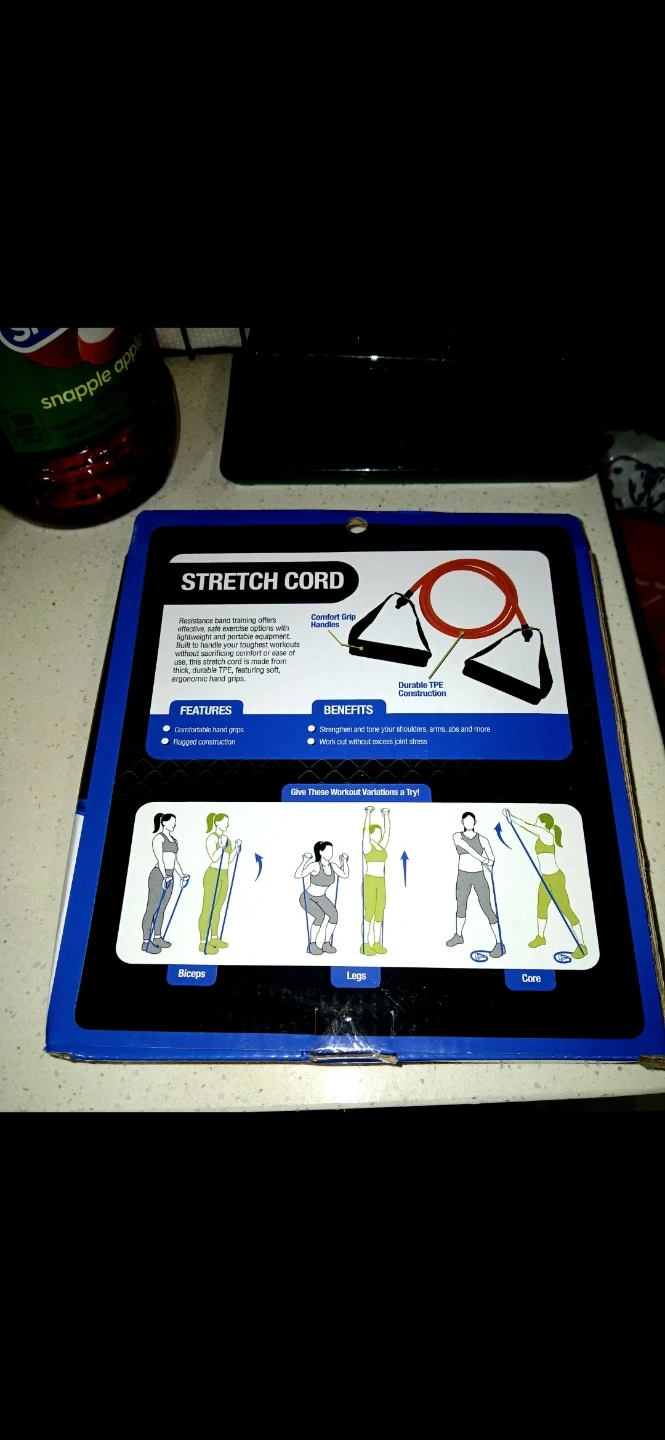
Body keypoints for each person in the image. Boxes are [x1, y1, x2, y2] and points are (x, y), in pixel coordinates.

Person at [504, 809, 587, 958]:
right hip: (545, 878)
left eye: (538, 820)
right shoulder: (542, 835)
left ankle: (582, 945)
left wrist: (512, 818)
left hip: (555, 878)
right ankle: (541, 937)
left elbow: (528, 826)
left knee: (566, 910)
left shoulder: (546, 834)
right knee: (541, 908)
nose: (536, 822)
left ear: (543, 823)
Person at [447, 812, 505, 958]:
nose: (469, 823)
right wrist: (483, 859)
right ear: (462, 822)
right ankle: (458, 936)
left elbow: (492, 858)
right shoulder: (457, 836)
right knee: (461, 905)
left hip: (479, 875)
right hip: (463, 876)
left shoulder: (483, 839)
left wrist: (489, 862)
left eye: (471, 821)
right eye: (466, 821)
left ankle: (499, 943)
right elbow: (466, 847)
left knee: (486, 907)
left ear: (475, 822)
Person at [141, 813, 189, 954]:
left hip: (170, 875)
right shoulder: (159, 838)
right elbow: (160, 860)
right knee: (152, 908)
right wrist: (165, 876)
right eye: (171, 822)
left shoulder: (174, 840)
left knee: (162, 908)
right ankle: (146, 942)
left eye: (175, 822)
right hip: (158, 875)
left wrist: (182, 875)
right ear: (164, 823)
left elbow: (174, 861)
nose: (174, 824)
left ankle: (157, 937)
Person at [198, 812, 241, 954]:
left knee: (217, 909)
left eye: (227, 822)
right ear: (217, 823)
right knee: (208, 908)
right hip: (213, 874)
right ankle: (203, 943)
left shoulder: (226, 838)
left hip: (224, 874)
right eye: (224, 822)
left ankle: (214, 938)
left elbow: (228, 860)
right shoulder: (212, 838)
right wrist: (221, 846)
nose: (227, 824)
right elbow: (214, 858)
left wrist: (236, 850)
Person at [295, 842, 349, 955]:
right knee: (320, 916)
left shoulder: (333, 865)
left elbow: (344, 875)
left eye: (331, 851)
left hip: (321, 897)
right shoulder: (315, 865)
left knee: (334, 916)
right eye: (328, 851)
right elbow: (298, 875)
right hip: (307, 897)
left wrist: (344, 861)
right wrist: (305, 861)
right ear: (321, 852)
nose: (330, 853)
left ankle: (326, 943)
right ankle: (312, 945)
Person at [361, 805, 390, 956]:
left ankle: (377, 943)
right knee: (369, 913)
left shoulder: (381, 846)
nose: (379, 835)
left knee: (379, 913)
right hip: (370, 881)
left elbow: (388, 833)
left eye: (380, 833)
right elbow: (366, 831)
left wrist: (386, 816)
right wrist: (368, 814)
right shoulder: (367, 846)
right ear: (371, 835)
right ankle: (365, 944)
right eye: (377, 833)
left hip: (381, 882)